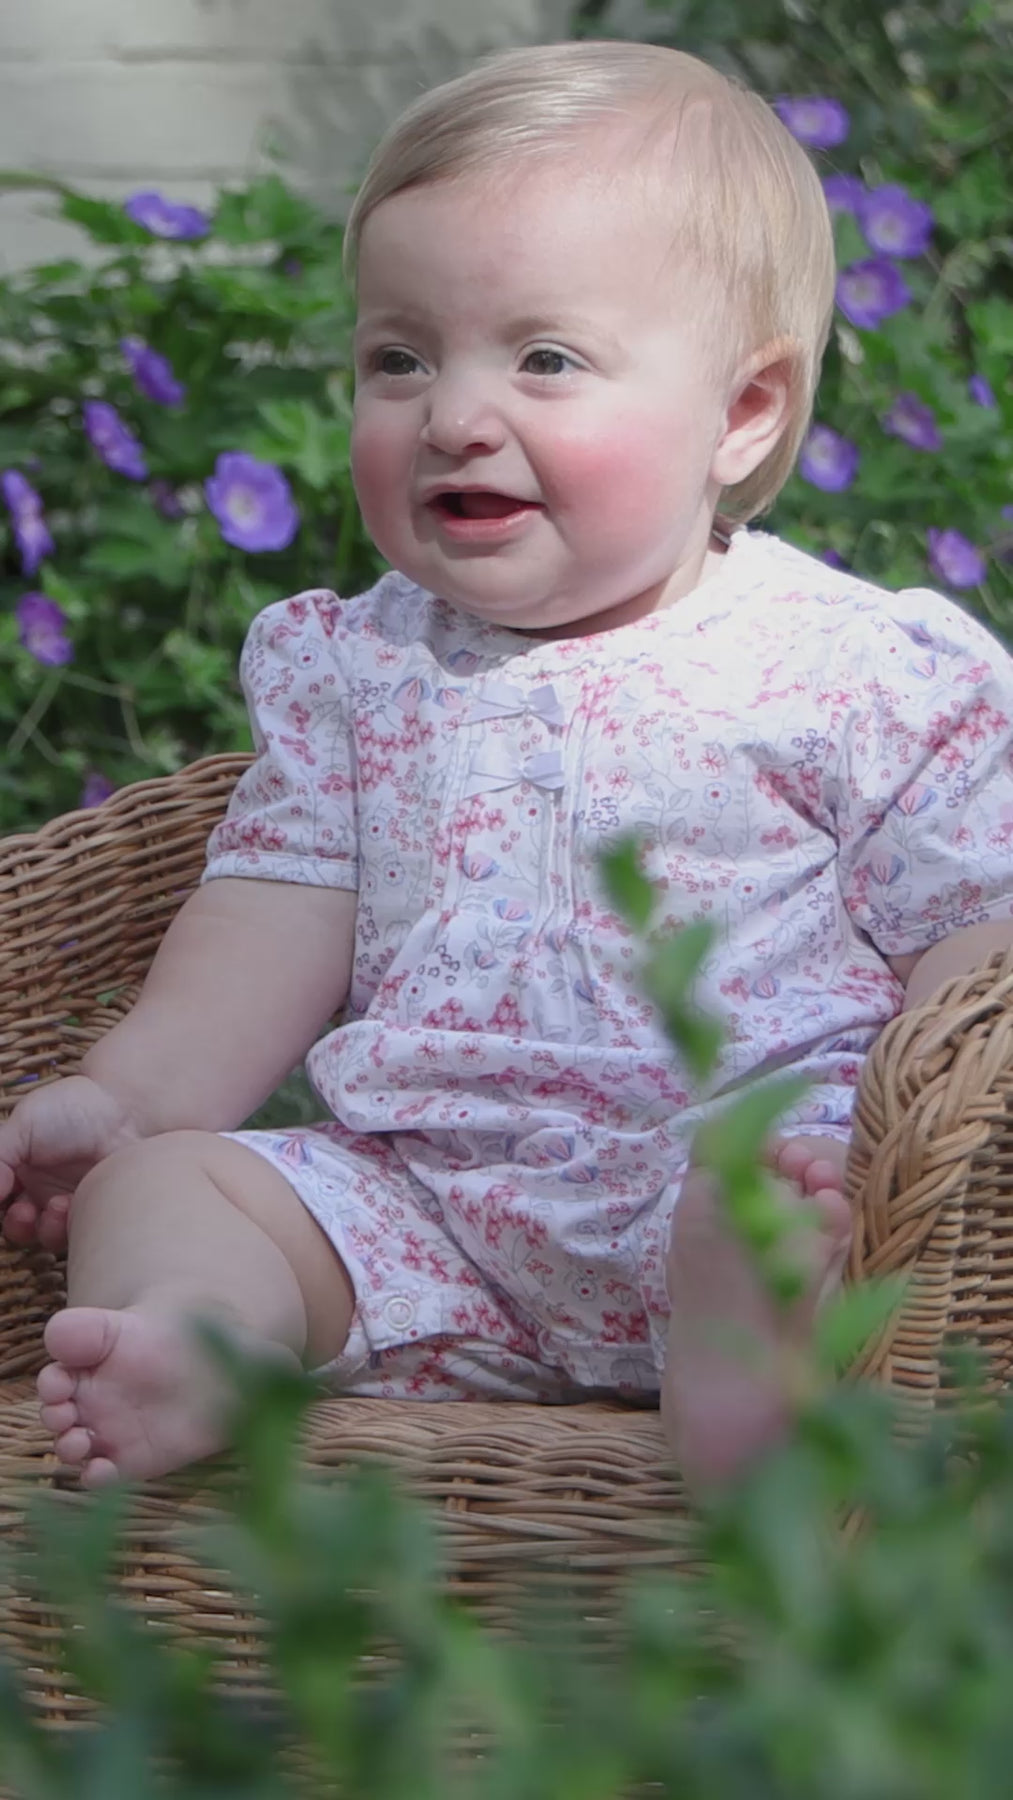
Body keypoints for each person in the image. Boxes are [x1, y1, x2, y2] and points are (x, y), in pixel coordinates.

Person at [2, 39, 1012, 1496]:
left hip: (736, 1167)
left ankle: (749, 1375)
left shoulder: (860, 671)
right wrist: (129, 1098)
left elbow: (976, 945)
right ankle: (203, 1336)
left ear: (740, 414)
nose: (454, 415)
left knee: (799, 1192)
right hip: (430, 1210)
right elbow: (264, 925)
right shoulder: (354, 667)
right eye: (399, 358)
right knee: (165, 1186)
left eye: (545, 359)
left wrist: (907, 1119)